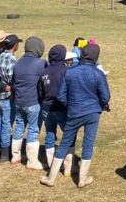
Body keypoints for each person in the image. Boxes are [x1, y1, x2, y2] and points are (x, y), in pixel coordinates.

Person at [41, 44, 110, 188]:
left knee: (64, 142)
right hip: (92, 113)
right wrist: (99, 106)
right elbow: (105, 96)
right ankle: (82, 179)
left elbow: (60, 95)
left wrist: (70, 104)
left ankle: (51, 178)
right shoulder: (98, 74)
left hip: (74, 112)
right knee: (88, 144)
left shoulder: (70, 72)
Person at [12, 36, 47, 169]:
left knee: (19, 127)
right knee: (33, 130)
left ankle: (15, 156)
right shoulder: (40, 63)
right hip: (33, 101)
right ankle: (32, 161)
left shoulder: (18, 62)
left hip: (19, 101)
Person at [39, 45, 75, 177]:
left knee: (49, 134)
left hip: (47, 108)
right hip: (62, 108)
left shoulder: (44, 72)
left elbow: (40, 92)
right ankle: (68, 168)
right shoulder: (66, 71)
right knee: (69, 135)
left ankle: (51, 164)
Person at [0, 34, 21, 163]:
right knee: (6, 124)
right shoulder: (12, 59)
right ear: (15, 45)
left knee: (0, 122)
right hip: (8, 96)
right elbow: (13, 78)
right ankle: (5, 152)